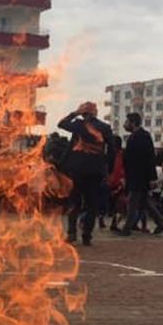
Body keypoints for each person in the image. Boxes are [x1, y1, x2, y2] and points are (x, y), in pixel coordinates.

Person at [57, 101, 116, 246]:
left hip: (77, 170)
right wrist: (108, 169)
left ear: (83, 113)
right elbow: (112, 150)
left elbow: (61, 124)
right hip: (95, 171)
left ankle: (71, 234)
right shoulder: (105, 127)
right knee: (92, 205)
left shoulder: (78, 124)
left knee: (74, 203)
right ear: (95, 112)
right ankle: (87, 235)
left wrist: (74, 113)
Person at [116, 113, 163, 236]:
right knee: (145, 202)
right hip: (136, 176)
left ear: (133, 122)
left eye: (127, 121)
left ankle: (127, 228)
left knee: (132, 202)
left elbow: (150, 158)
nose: (125, 124)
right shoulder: (136, 137)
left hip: (138, 176)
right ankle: (160, 223)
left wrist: (152, 178)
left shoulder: (142, 137)